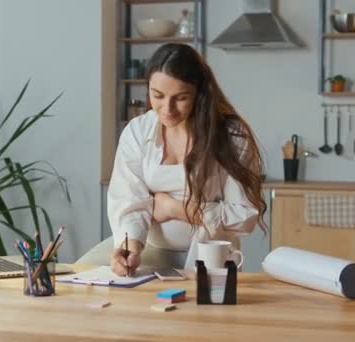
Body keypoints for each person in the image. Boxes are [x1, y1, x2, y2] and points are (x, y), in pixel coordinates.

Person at [107, 43, 266, 276]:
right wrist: (130, 249)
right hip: (151, 254)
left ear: (200, 94)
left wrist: (174, 208)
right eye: (157, 96)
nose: (167, 109)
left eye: (180, 98)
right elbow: (129, 199)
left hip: (212, 259)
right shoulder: (138, 131)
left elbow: (244, 216)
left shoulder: (231, 135)